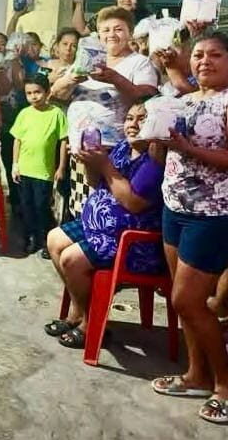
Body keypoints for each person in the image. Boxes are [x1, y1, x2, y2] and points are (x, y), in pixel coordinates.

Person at [151, 32, 228, 425]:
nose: (204, 61)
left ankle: (224, 386)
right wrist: (154, 138)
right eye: (198, 54)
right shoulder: (183, 99)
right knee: (182, 301)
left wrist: (188, 149)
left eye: (215, 55)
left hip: (212, 214)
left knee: (189, 301)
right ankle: (196, 375)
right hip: (174, 207)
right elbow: (160, 154)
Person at [45, 102, 165, 349]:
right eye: (129, 118)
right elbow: (95, 182)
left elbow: (133, 203)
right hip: (98, 227)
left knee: (71, 259)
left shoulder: (154, 162)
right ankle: (78, 311)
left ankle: (91, 324)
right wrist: (90, 163)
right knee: (54, 239)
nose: (133, 124)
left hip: (129, 241)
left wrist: (105, 165)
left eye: (142, 119)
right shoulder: (122, 148)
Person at [51, 6, 158, 218]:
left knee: (107, 208)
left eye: (118, 29)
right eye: (106, 30)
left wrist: (114, 78)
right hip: (79, 149)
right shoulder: (87, 59)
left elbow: (147, 98)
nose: (111, 34)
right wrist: (72, 78)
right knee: (82, 207)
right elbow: (55, 94)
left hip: (113, 151)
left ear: (129, 33)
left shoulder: (139, 63)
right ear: (98, 34)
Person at [10, 74, 68, 257]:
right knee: (26, 206)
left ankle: (47, 240)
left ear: (48, 92)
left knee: (41, 206)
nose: (33, 96)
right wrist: (15, 164)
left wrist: (61, 167)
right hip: (24, 169)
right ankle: (30, 238)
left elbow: (63, 141)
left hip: (43, 171)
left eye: (37, 92)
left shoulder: (56, 113)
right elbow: (17, 140)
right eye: (29, 93)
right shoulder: (24, 114)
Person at [72, 0, 152, 37]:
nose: (127, 0)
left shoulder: (149, 20)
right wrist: (79, 4)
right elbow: (82, 31)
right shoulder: (106, 14)